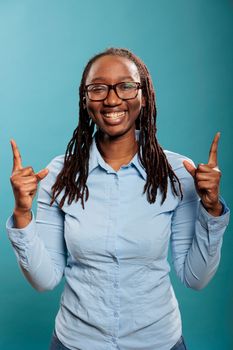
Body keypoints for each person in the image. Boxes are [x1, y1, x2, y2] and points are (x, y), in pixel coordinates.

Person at [7, 48, 230, 350]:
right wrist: (22, 213)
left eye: (126, 86)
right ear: (85, 100)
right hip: (75, 343)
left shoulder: (178, 173)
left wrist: (211, 209)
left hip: (158, 342)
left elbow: (196, 277)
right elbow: (44, 279)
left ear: (144, 96)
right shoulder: (58, 174)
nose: (112, 99)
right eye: (98, 88)